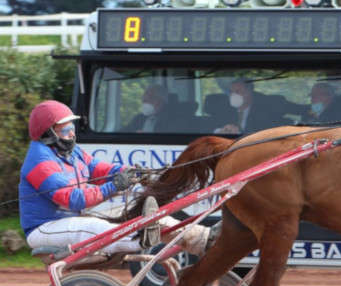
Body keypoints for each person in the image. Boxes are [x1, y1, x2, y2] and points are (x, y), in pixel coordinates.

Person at [19, 100, 215, 256]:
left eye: (72, 128)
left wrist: (128, 172)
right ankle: (140, 238)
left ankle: (205, 239)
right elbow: (74, 199)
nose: (71, 134)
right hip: (44, 228)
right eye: (65, 130)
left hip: (72, 219)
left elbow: (97, 168)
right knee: (94, 227)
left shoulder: (71, 151)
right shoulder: (40, 161)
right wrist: (115, 185)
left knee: (137, 211)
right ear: (48, 134)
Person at [215, 78, 282, 135]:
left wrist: (238, 133)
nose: (233, 95)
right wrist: (220, 131)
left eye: (238, 91)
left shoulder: (264, 113)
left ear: (249, 92)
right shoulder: (224, 111)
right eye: (231, 92)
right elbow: (211, 127)